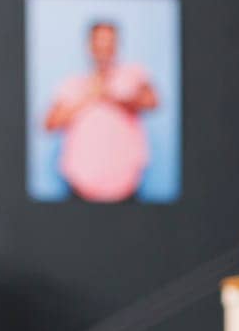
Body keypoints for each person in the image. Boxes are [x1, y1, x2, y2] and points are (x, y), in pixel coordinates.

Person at [42, 19, 158, 202]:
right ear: (90, 45)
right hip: (80, 188)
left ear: (117, 44)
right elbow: (50, 123)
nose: (104, 48)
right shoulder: (73, 84)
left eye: (109, 42)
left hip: (126, 187)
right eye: (99, 42)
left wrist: (110, 94)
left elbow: (151, 102)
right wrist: (89, 95)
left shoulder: (134, 75)